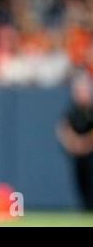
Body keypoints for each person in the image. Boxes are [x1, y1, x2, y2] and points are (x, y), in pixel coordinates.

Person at [57, 74, 93, 211]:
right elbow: (63, 128)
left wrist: (86, 143)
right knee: (80, 182)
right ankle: (85, 209)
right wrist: (74, 143)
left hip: (90, 154)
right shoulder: (72, 111)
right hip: (77, 155)